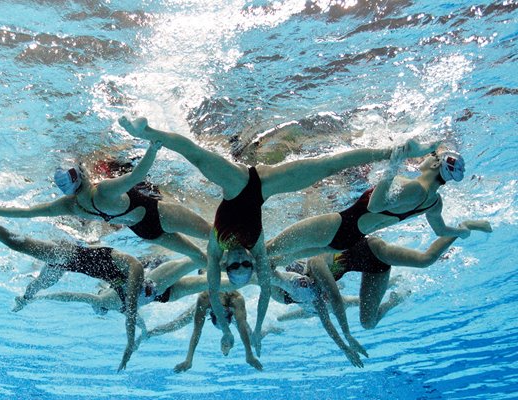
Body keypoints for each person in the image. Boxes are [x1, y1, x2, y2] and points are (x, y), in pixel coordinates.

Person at [118, 116, 437, 357]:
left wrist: (227, 330)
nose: (242, 259)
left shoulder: (215, 250)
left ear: (228, 265)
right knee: (330, 164)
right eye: (247, 265)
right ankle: (398, 151)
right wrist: (255, 331)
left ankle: (145, 132)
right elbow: (266, 293)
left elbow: (214, 295)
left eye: (237, 265)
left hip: (236, 185)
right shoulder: (258, 251)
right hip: (264, 187)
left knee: (197, 156)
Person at [0, 207, 143, 371]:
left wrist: (141, 335)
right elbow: (131, 312)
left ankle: (24, 299)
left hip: (68, 261)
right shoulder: (134, 269)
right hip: (69, 252)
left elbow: (131, 313)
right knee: (17, 243)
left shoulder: (120, 287)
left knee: (39, 284)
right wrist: (130, 344)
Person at [0, 141, 211, 267]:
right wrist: (154, 147)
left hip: (146, 232)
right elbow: (137, 175)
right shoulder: (103, 191)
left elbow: (27, 212)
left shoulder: (69, 206)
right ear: (82, 174)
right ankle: (250, 256)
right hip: (159, 215)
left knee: (196, 256)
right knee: (215, 234)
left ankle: (219, 276)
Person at [277, 219, 492, 333]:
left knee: (425, 260)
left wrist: (347, 339)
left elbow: (335, 299)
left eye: (308, 286)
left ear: (304, 276)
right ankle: (393, 301)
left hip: (373, 249)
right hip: (374, 270)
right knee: (368, 323)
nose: (312, 290)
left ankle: (465, 226)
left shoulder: (315, 263)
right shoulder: (312, 293)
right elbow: (319, 307)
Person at [266, 147, 472, 263]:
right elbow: (441, 230)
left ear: (436, 164)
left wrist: (393, 166)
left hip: (336, 226)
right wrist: (461, 231)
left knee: (268, 250)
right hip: (347, 240)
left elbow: (375, 205)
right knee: (275, 261)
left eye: (432, 155)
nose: (427, 157)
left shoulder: (414, 188)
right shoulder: (434, 202)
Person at [139, 290, 282, 372]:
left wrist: (249, 354)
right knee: (177, 323)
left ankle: (267, 330)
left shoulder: (236, 300)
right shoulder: (205, 299)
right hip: (212, 309)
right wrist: (189, 359)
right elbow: (196, 331)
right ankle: (149, 333)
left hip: (228, 316)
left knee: (252, 339)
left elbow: (243, 327)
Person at [270, 264, 368, 368]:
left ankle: (271, 327)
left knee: (281, 318)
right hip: (306, 304)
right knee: (281, 317)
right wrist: (345, 347)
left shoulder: (339, 301)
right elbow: (326, 322)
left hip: (307, 309)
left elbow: (365, 301)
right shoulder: (315, 293)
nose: (326, 296)